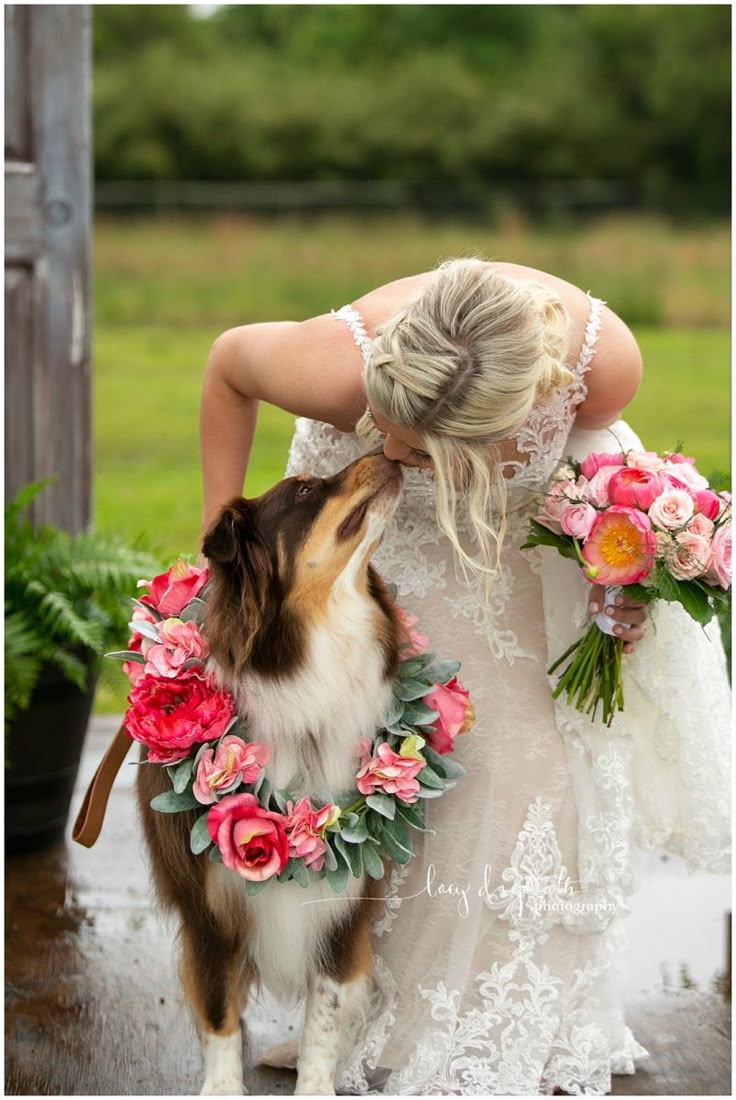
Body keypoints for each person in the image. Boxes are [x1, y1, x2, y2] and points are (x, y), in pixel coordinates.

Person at [199, 257, 731, 1095]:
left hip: (513, 529)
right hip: (377, 546)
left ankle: (498, 1018)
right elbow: (229, 364)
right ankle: (358, 1010)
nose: (399, 453)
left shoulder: (604, 360)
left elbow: (601, 467)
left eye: (421, 445)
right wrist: (215, 541)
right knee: (387, 773)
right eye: (390, 427)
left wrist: (614, 576)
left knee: (528, 763)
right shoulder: (333, 369)